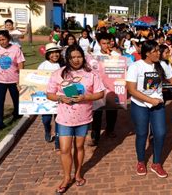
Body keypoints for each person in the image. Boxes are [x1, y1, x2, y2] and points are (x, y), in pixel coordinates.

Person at [46, 45, 105, 193]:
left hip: (83, 118)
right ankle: (67, 178)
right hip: (64, 119)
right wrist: (61, 98)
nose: (76, 60)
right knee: (65, 149)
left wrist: (86, 97)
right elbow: (49, 94)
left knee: (79, 147)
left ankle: (78, 174)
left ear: (83, 57)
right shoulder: (58, 74)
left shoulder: (91, 74)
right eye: (72, 57)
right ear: (67, 59)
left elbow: (100, 93)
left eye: (79, 56)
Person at [126, 40, 172, 178]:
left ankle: (156, 164)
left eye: (159, 50)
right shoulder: (135, 66)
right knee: (141, 133)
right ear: (146, 53)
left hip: (158, 105)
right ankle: (140, 161)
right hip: (140, 105)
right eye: (155, 51)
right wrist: (150, 100)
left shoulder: (162, 65)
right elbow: (131, 90)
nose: (159, 53)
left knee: (161, 133)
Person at [0, 30, 25, 130]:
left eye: (3, 39)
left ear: (8, 38)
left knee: (16, 99)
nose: (2, 42)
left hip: (14, 80)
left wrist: (21, 78)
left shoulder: (16, 48)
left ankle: (17, 114)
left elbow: (21, 63)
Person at [89, 33, 120, 146]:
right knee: (97, 112)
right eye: (103, 43)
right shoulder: (94, 56)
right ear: (99, 43)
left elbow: (122, 69)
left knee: (112, 110)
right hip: (98, 88)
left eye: (108, 43)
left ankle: (110, 130)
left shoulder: (116, 54)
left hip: (112, 88)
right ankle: (95, 136)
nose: (106, 45)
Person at [38, 43, 64, 150]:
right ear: (47, 54)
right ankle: (47, 130)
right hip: (46, 98)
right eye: (52, 53)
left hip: (59, 97)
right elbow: (36, 81)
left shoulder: (63, 65)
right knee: (46, 120)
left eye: (57, 52)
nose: (55, 55)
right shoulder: (42, 66)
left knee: (59, 120)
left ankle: (58, 142)